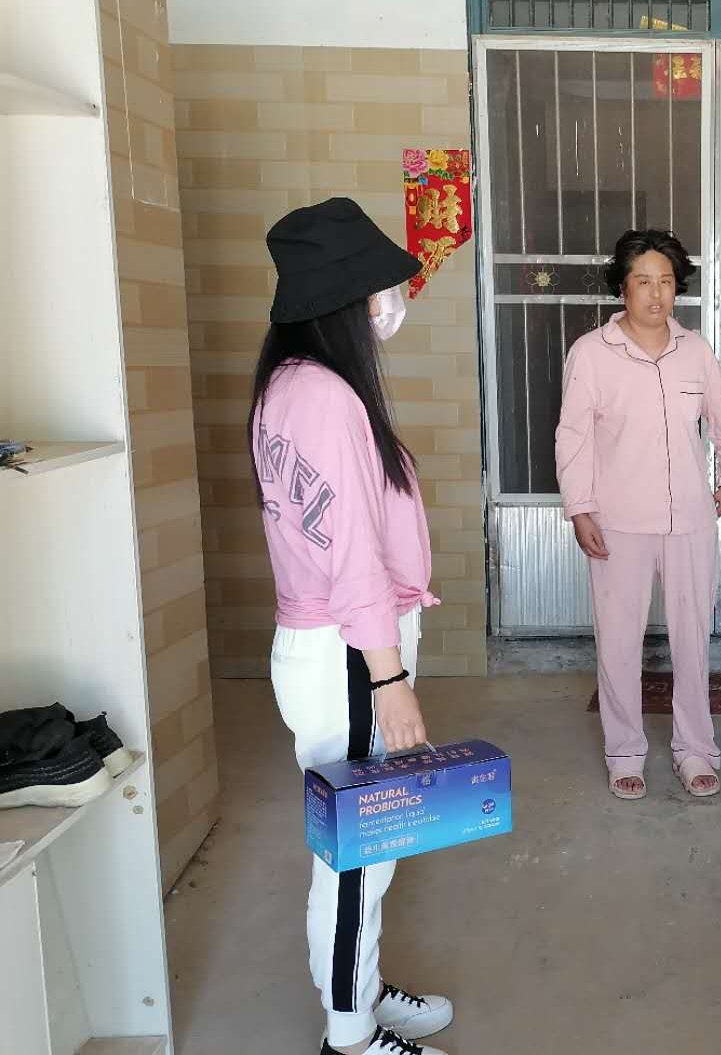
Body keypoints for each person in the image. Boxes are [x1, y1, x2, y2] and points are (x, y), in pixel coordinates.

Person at [248, 197, 452, 1055]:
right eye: (377, 290)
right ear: (342, 300)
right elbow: (355, 556)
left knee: (366, 848)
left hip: (330, 648)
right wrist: (389, 677)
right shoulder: (327, 397)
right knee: (357, 855)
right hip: (349, 656)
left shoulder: (290, 386)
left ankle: (359, 995)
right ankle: (350, 1037)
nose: (390, 304)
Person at [556, 229, 721, 801]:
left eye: (666, 281)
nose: (656, 293)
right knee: (619, 643)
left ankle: (695, 750)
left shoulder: (695, 351)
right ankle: (624, 751)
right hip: (617, 522)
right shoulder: (591, 354)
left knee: (693, 642)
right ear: (622, 288)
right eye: (643, 281)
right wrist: (580, 508)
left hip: (689, 520)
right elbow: (572, 438)